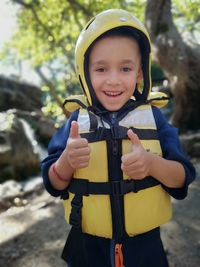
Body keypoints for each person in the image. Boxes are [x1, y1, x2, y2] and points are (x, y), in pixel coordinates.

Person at [41, 9, 195, 267]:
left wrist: (151, 163)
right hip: (88, 249)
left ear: (139, 74)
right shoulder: (76, 124)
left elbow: (182, 179)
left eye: (125, 68)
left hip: (145, 249)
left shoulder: (154, 119)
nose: (113, 80)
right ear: (85, 73)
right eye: (101, 69)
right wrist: (66, 161)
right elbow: (53, 183)